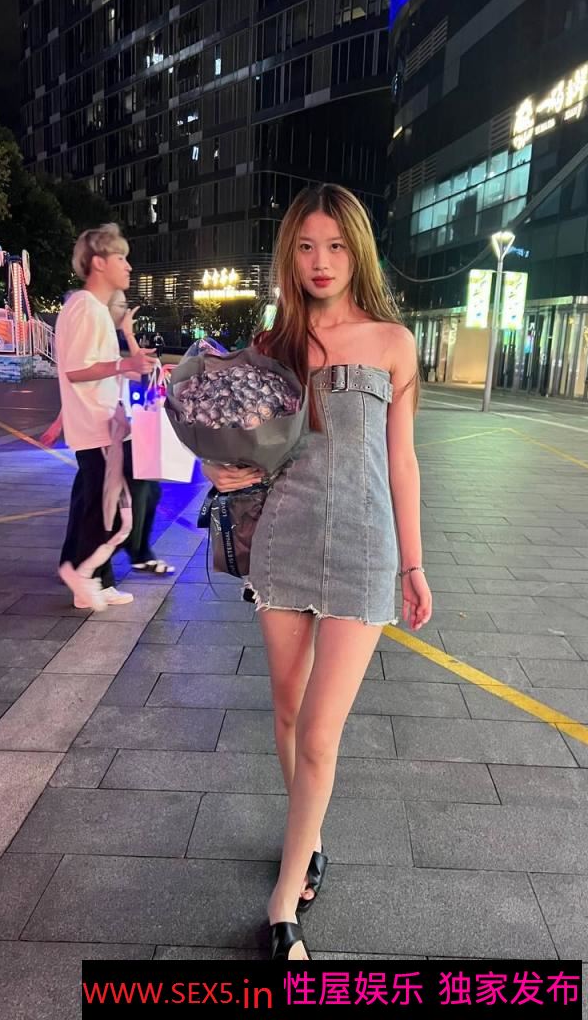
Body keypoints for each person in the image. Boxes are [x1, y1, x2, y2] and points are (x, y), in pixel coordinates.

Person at [199, 184, 433, 960]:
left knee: (322, 734)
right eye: (305, 247)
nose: (321, 261)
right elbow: (241, 447)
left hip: (366, 548)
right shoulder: (273, 345)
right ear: (289, 257)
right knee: (289, 715)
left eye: (335, 246)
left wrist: (414, 563)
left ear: (357, 252)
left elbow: (402, 461)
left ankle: (283, 903)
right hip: (285, 541)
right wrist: (221, 472)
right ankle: (313, 840)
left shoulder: (393, 342)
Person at [55, 224, 157, 611]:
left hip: (100, 426)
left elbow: (100, 369)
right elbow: (76, 370)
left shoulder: (90, 308)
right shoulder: (86, 308)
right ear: (99, 263)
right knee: (109, 508)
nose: (128, 266)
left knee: (93, 504)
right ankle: (85, 578)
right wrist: (123, 364)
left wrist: (129, 358)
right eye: (121, 258)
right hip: (98, 427)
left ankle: (95, 579)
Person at [43, 292, 177, 578]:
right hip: (102, 435)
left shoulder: (103, 343)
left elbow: (145, 373)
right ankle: (101, 569)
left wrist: (128, 337)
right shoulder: (92, 339)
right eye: (119, 305)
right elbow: (83, 381)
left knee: (93, 500)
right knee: (118, 500)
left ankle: (82, 563)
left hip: (107, 433)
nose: (124, 310)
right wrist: (128, 337)